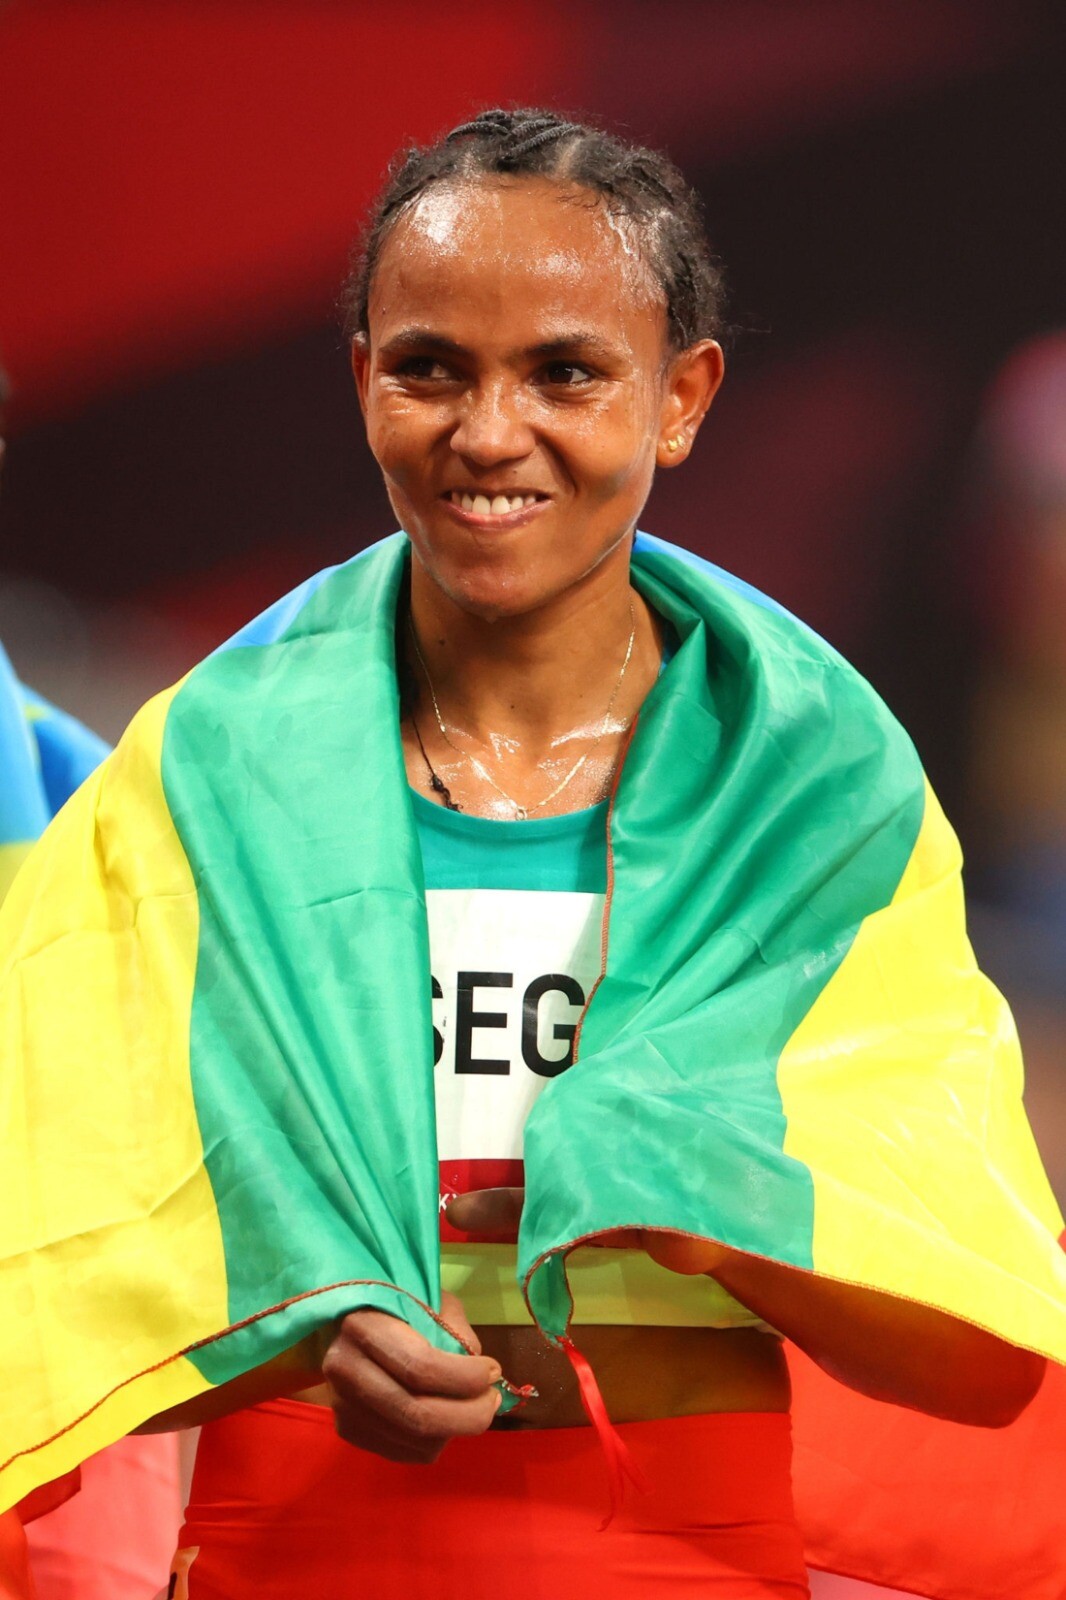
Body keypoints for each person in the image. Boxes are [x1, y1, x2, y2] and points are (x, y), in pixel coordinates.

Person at [2, 111, 1064, 1600]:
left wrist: (716, 1218)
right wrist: (296, 1331)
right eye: (430, 368)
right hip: (287, 1548)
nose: (490, 433)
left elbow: (980, 1354)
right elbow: (51, 1283)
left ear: (682, 397)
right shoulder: (206, 769)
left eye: (565, 371)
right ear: (363, 383)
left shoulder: (812, 787)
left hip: (685, 1561)